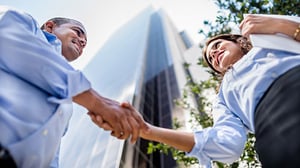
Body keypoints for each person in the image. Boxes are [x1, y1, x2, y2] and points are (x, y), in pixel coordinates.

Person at [93, 14, 300, 168]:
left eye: (218, 45)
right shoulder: (224, 97)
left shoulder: (270, 39)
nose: (214, 54)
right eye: (211, 59)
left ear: (237, 40)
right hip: (277, 131)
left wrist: (282, 25)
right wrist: (148, 130)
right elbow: (226, 144)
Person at [0, 5, 147, 168]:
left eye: (85, 45)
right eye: (78, 32)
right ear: (50, 26)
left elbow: (51, 152)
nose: (83, 41)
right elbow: (10, 39)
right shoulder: (18, 20)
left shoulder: (66, 103)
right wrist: (99, 103)